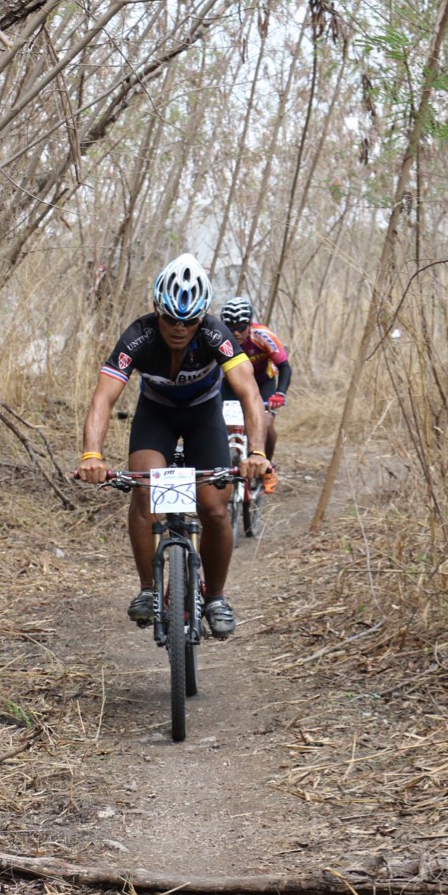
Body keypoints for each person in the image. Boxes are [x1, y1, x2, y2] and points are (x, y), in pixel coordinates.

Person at [79, 253, 272, 638]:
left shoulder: (216, 334)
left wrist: (256, 452)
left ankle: (215, 597)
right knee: (144, 491)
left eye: (190, 321)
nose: (180, 329)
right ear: (157, 310)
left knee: (214, 508)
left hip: (204, 417)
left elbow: (250, 393)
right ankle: (148, 590)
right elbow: (103, 398)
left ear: (203, 316)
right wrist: (92, 455)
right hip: (157, 416)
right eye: (170, 319)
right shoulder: (138, 336)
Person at [219, 296, 291, 493]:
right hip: (233, 383)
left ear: (250, 324)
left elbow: (284, 366)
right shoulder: (219, 338)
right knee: (220, 422)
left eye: (241, 327)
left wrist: (280, 393)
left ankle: (267, 467)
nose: (235, 332)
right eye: (230, 327)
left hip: (263, 383)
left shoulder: (263, 335)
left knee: (266, 423)